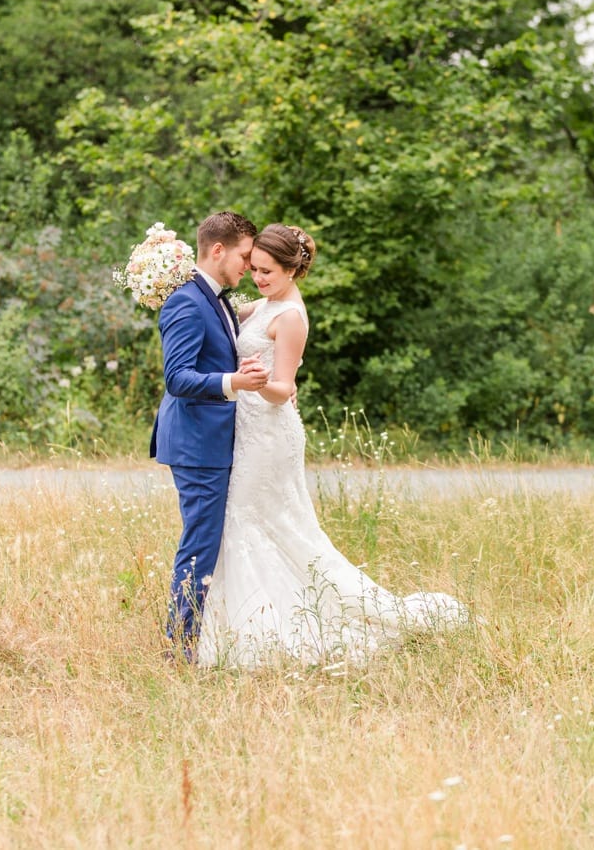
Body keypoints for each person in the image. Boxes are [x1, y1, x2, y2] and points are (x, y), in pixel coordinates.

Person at [195, 224, 468, 668]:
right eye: (254, 268)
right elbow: (218, 309)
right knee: (253, 523)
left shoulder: (291, 317)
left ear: (291, 270)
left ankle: (262, 627)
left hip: (269, 431)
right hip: (247, 428)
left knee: (251, 522)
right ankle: (238, 621)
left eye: (266, 271)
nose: (257, 277)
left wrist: (257, 383)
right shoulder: (264, 304)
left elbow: (284, 388)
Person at [151, 211, 269, 659]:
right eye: (244, 256)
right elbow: (177, 378)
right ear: (217, 250)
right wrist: (235, 382)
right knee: (200, 543)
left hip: (212, 440)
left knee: (207, 540)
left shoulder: (214, 297)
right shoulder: (185, 301)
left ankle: (198, 636)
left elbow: (228, 330)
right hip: (196, 444)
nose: (248, 266)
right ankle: (178, 646)